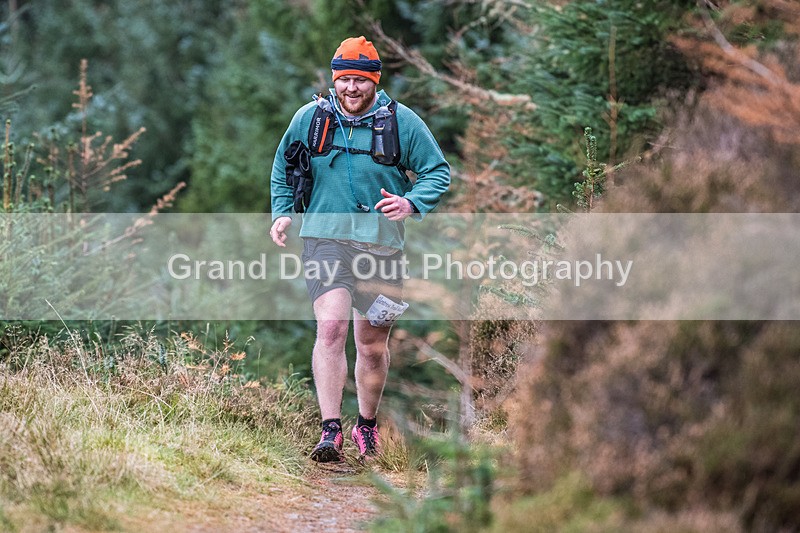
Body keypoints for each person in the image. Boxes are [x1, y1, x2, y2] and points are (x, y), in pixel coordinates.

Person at [269, 36, 450, 462]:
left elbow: (437, 172)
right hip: (324, 238)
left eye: (360, 80)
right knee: (331, 329)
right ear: (334, 79)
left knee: (370, 346)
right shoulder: (310, 118)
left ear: (375, 81)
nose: (351, 88)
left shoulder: (402, 122)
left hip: (381, 246)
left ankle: (365, 427)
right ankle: (329, 430)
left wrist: (411, 202)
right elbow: (283, 166)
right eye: (344, 79)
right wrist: (282, 212)